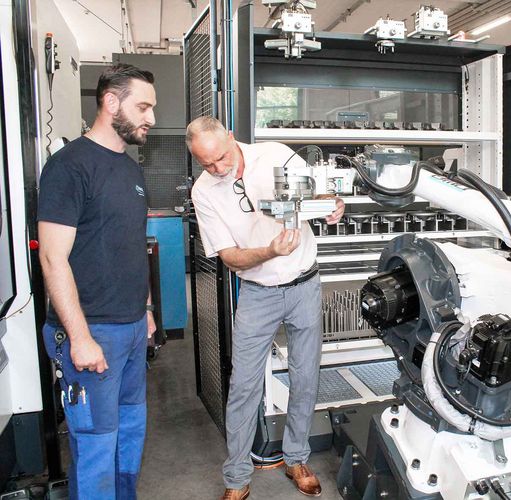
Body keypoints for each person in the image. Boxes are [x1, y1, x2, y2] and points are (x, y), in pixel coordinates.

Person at [186, 116, 344, 500]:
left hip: (305, 284)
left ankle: (296, 458)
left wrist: (332, 205)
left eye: (222, 157)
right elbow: (230, 257)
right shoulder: (203, 191)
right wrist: (270, 251)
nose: (218, 168)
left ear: (231, 137)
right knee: (244, 385)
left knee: (305, 377)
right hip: (257, 293)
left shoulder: (274, 155)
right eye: (207, 164)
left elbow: (318, 194)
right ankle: (237, 477)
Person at [37, 64, 157, 500]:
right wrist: (79, 337)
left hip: (131, 328)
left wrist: (146, 310)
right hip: (93, 332)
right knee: (96, 443)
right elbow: (53, 258)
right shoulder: (69, 167)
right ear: (110, 102)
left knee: (129, 433)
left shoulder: (130, 170)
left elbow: (133, 245)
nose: (151, 118)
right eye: (143, 107)